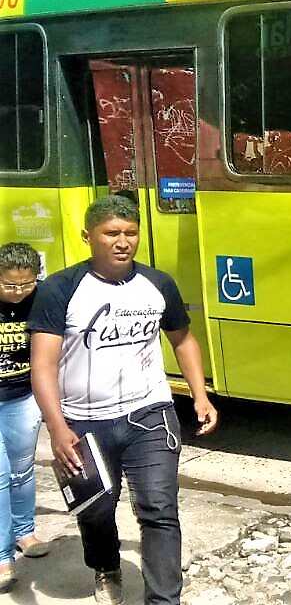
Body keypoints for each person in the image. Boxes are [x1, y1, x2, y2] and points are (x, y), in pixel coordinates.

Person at [28, 195, 219, 605]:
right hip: (83, 423)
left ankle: (164, 600)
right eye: (111, 233)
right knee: (94, 510)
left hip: (149, 414)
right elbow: (42, 366)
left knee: (159, 509)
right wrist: (57, 429)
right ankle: (105, 567)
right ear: (88, 236)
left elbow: (183, 340)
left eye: (130, 233)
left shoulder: (157, 284)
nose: (122, 241)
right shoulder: (61, 290)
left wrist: (200, 396)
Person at [0, 242, 50, 592]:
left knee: (21, 469)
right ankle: (3, 557)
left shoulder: (43, 299)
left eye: (25, 284)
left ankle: (24, 532)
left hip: (22, 396)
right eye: (9, 285)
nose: (18, 292)